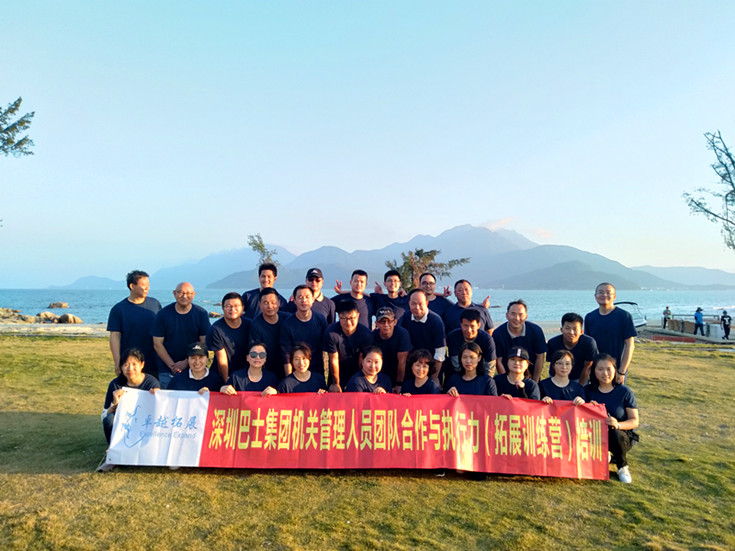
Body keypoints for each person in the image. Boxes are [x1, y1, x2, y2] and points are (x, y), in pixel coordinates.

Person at [586, 353, 640, 484]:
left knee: (614, 433)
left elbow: (634, 421)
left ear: (615, 370)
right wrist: (587, 407)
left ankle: (622, 466)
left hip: (620, 436)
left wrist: (618, 424)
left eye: (608, 369)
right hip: (595, 434)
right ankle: (605, 455)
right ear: (594, 371)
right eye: (600, 369)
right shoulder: (587, 391)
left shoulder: (624, 392)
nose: (605, 373)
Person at [151, 282, 210, 388]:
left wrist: (187, 362)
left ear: (193, 294)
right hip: (167, 370)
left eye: (188, 293)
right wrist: (173, 366)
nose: (184, 296)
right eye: (180, 292)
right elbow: (157, 344)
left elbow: (204, 342)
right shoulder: (163, 314)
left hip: (194, 368)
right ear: (174, 293)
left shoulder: (201, 314)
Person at [107, 270, 161, 377]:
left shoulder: (155, 304)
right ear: (132, 286)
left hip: (154, 362)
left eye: (148, 285)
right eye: (143, 285)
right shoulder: (119, 309)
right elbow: (114, 336)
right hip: (130, 364)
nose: (147, 288)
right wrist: (117, 361)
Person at [101, 348, 160, 444]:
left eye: (134, 364)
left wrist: (157, 395)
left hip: (145, 418)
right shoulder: (116, 384)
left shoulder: (151, 382)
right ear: (121, 367)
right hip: (124, 418)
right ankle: (113, 447)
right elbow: (104, 415)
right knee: (109, 419)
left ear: (142, 365)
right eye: (126, 365)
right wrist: (115, 404)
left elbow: (158, 410)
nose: (130, 369)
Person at [584, 283, 637, 384]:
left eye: (608, 292)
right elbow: (588, 346)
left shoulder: (624, 316)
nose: (604, 295)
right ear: (595, 296)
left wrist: (622, 371)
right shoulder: (590, 317)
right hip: (596, 369)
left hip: (616, 368)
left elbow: (630, 345)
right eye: (601, 292)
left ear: (614, 296)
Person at [324, 299, 374, 392]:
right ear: (339, 317)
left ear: (358, 316)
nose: (348, 322)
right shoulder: (331, 333)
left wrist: (360, 381)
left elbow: (362, 359)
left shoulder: (366, 334)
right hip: (338, 370)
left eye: (352, 318)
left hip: (358, 370)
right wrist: (336, 383)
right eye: (344, 318)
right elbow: (333, 359)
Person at [492, 299, 547, 381]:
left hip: (531, 376)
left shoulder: (536, 331)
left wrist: (535, 381)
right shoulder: (498, 334)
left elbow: (540, 357)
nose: (517, 318)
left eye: (520, 315)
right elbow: (498, 361)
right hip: (507, 376)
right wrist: (505, 382)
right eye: (513, 314)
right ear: (507, 315)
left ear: (526, 316)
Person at [279, 285, 328, 377]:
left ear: (313, 299)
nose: (304, 300)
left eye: (307, 297)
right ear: (294, 300)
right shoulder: (287, 324)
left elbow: (327, 348)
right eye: (300, 297)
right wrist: (289, 379)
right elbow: (286, 356)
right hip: (296, 371)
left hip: (317, 371)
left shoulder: (320, 319)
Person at [399, 289, 447, 381]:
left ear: (427, 303)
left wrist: (435, 377)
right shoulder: (405, 317)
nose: (417, 307)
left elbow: (440, 353)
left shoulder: (436, 321)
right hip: (411, 368)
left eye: (420, 304)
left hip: (430, 368)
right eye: (413, 304)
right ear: (409, 304)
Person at [206, 292, 251, 380]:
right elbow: (222, 360)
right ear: (222, 308)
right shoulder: (216, 329)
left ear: (242, 308)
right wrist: (226, 381)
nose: (232, 309)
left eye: (236, 306)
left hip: (245, 375)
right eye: (228, 306)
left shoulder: (250, 325)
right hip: (222, 374)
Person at [248, 288, 291, 378]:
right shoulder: (256, 325)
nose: (270, 306)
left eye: (273, 302)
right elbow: (256, 350)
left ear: (279, 303)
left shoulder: (288, 319)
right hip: (267, 370)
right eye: (266, 303)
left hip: (289, 366)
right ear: (260, 305)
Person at [546, 312, 598, 385]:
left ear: (581, 331)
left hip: (579, 377)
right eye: (567, 328)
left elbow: (587, 367)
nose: (571, 332)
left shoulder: (589, 343)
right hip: (557, 376)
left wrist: (579, 387)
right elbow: (553, 366)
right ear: (561, 330)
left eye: (575, 329)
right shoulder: (553, 343)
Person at [446, 308, 497, 379]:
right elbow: (456, 364)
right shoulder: (453, 337)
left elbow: (490, 366)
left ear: (478, 325)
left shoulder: (487, 339)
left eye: (472, 326)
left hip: (481, 374)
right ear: (461, 324)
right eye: (465, 326)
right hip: (457, 375)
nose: (469, 330)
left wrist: (486, 381)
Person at [372, 307, 412, 392]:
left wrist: (399, 384)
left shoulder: (402, 334)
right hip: (380, 374)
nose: (386, 325)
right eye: (382, 322)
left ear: (395, 322)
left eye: (389, 321)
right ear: (376, 323)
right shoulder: (372, 336)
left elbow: (402, 362)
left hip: (400, 372)